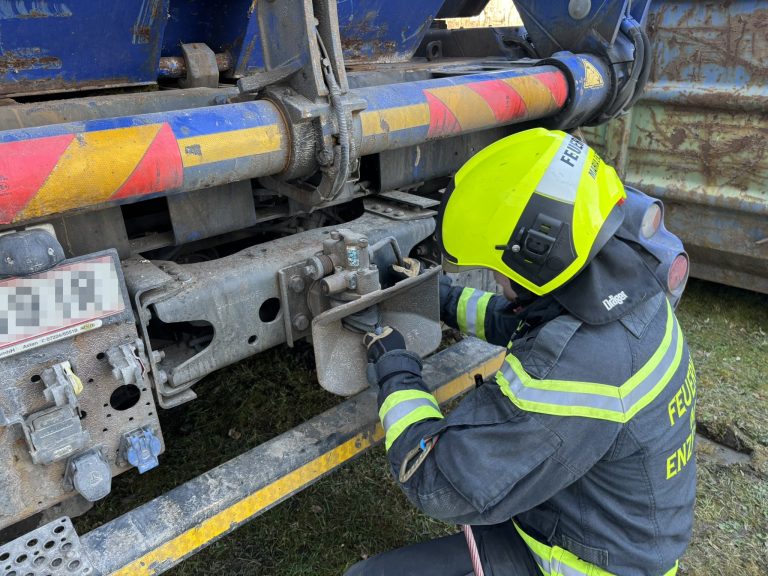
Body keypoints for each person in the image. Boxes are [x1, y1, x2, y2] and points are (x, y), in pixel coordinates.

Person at [345, 128, 695, 576]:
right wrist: (439, 299)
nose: (496, 279)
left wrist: (395, 368)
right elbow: (522, 323)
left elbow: (436, 477)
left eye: (496, 268)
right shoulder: (631, 297)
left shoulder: (571, 371)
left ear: (535, 260)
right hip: (604, 533)